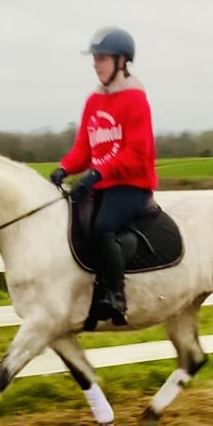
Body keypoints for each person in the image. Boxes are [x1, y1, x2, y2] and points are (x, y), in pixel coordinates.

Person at [49, 26, 158, 323]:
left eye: (102, 58)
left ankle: (116, 295)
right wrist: (64, 168)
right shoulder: (93, 101)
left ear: (122, 61)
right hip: (102, 182)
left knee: (102, 226)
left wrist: (97, 174)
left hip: (131, 185)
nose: (96, 64)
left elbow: (136, 153)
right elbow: (83, 148)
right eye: (94, 58)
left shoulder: (135, 100)